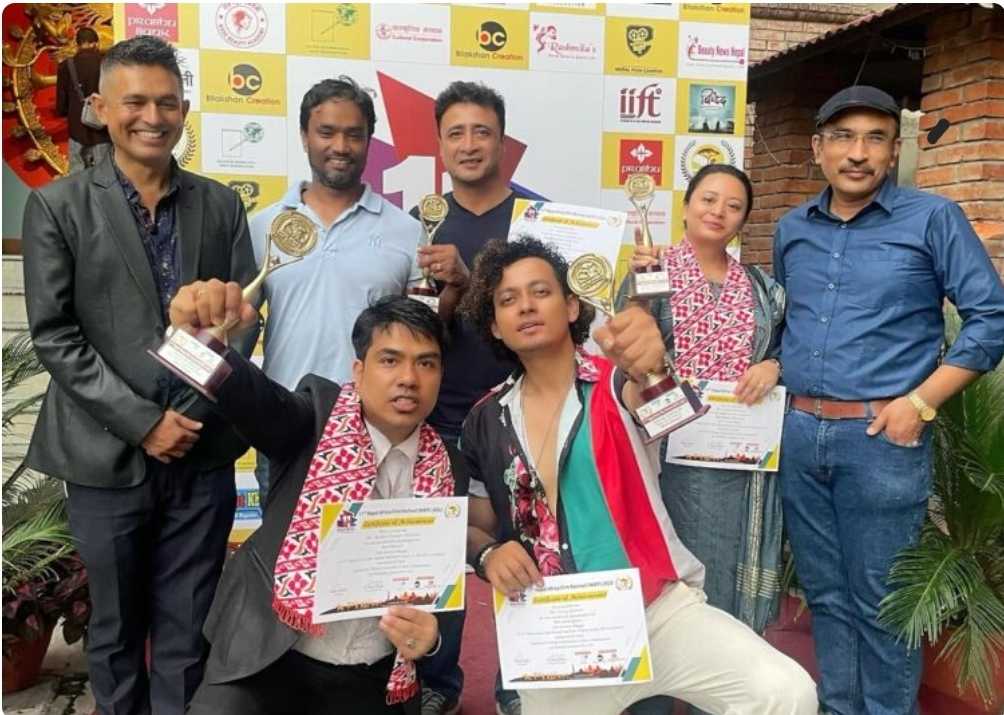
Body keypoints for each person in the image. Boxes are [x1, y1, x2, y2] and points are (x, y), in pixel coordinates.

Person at [458, 237, 817, 715]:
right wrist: (487, 554)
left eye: (540, 291)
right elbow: (475, 523)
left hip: (657, 612)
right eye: (508, 299)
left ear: (572, 306)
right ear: (494, 326)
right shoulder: (484, 420)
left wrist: (653, 366)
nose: (525, 305)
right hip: (557, 631)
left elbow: (665, 410)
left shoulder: (613, 382)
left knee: (786, 693)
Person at [21, 35, 258, 714]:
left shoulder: (221, 205)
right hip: (105, 454)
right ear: (100, 108)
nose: (152, 117)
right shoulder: (58, 206)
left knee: (188, 629)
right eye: (135, 102)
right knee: (116, 630)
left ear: (184, 108)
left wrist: (192, 413)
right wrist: (145, 422)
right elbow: (56, 335)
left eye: (167, 102)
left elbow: (243, 320)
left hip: (201, 450)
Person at [773, 85, 1004, 715]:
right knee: (825, 596)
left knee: (882, 602)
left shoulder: (932, 219)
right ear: (818, 148)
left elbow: (990, 318)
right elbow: (789, 323)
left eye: (875, 138)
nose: (858, 153)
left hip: (882, 439)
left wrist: (921, 404)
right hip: (801, 434)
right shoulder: (792, 229)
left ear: (894, 151)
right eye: (843, 137)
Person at [176, 293, 457, 715]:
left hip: (374, 675)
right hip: (268, 659)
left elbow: (445, 588)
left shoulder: (447, 467)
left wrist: (431, 640)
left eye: (426, 363)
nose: (408, 378)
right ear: (358, 371)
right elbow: (252, 398)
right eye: (389, 360)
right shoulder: (314, 420)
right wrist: (195, 341)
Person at [627, 163, 786, 715]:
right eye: (708, 199)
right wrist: (638, 296)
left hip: (739, 462)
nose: (718, 212)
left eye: (733, 205)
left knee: (724, 576)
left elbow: (782, 348)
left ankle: (720, 698)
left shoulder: (763, 288)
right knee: (661, 580)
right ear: (686, 205)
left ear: (744, 219)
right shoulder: (651, 270)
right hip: (664, 457)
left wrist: (773, 365)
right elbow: (624, 355)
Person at [409, 80, 530, 715]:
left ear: (503, 141)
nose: (469, 144)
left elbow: (561, 316)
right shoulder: (421, 222)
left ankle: (524, 685)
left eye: (482, 131)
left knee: (530, 553)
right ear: (439, 144)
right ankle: (438, 684)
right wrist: (447, 292)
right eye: (455, 132)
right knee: (439, 557)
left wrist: (473, 276)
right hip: (443, 420)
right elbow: (414, 328)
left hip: (525, 418)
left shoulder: (537, 220)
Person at [249, 76, 424, 500]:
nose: (340, 146)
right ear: (304, 136)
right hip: (286, 422)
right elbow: (237, 327)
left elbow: (423, 330)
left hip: (376, 427)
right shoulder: (263, 225)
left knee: (376, 544)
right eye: (326, 132)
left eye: (354, 134)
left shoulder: (406, 230)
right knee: (282, 543)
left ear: (369, 141)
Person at [55, 26, 112, 172]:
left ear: (77, 44)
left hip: (76, 127)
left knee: (76, 173)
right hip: (102, 128)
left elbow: (61, 103)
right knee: (103, 173)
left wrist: (65, 111)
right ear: (96, 43)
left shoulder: (66, 66)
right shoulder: (107, 65)